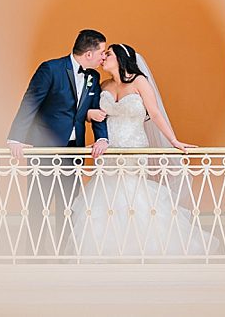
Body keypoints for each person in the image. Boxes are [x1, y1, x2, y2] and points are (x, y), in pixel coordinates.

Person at [69, 43, 212, 257]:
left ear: (120, 58)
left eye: (108, 54)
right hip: (109, 151)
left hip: (134, 147)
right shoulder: (104, 85)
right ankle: (109, 251)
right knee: (106, 196)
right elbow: (93, 114)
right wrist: (90, 116)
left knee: (132, 194)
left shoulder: (139, 82)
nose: (103, 57)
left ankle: (140, 249)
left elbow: (154, 114)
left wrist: (174, 141)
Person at [6, 29, 110, 245]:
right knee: (38, 205)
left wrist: (102, 138)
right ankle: (35, 257)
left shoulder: (94, 76)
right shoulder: (50, 69)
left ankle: (64, 255)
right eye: (101, 52)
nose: (103, 57)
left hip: (74, 151)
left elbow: (96, 110)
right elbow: (30, 101)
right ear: (89, 54)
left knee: (68, 207)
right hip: (44, 149)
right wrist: (15, 138)